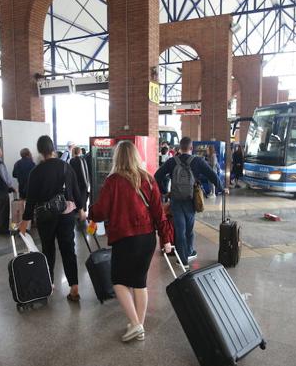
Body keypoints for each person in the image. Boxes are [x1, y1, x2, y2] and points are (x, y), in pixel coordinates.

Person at [89, 141, 173, 342]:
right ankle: (139, 326)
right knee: (139, 283)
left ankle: (135, 324)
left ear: (117, 158)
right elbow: (159, 214)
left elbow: (100, 211)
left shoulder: (113, 181)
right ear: (135, 156)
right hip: (146, 239)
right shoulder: (148, 179)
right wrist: (166, 239)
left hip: (125, 238)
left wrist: (90, 212)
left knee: (118, 282)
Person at [18, 135, 85, 301]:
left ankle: (48, 286)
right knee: (68, 249)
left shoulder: (36, 171)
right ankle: (74, 287)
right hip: (66, 214)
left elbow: (31, 198)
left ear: (40, 151)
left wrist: (25, 221)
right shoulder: (65, 167)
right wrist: (82, 209)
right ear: (53, 148)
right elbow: (76, 189)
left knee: (48, 250)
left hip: (45, 217)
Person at [154, 136, 224, 268]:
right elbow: (212, 175)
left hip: (176, 200)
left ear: (180, 148)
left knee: (180, 230)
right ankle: (190, 251)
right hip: (191, 200)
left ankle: (182, 261)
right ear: (191, 148)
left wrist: (164, 191)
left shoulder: (171, 161)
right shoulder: (198, 161)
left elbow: (157, 176)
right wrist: (221, 188)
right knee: (189, 229)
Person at [69, 146, 91, 211]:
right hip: (84, 183)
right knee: (83, 200)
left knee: (77, 200)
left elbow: (72, 173)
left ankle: (79, 212)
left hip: (77, 183)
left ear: (74, 152)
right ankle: (83, 211)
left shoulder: (72, 160)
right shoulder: (83, 159)